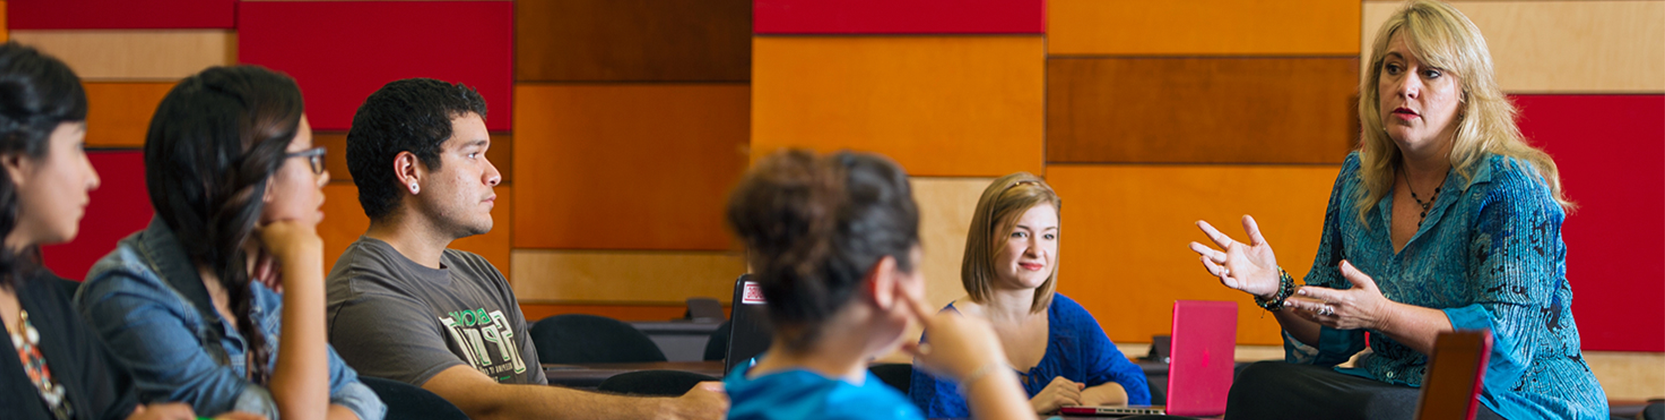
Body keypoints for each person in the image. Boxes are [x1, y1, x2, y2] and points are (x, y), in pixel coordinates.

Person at [1186, 1, 1607, 419]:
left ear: (1466, 94)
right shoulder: (1358, 180)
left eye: (1430, 72)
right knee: (1259, 386)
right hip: (1397, 383)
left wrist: (1383, 315)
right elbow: (1332, 331)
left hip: (1520, 400)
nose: (1407, 86)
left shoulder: (1507, 186)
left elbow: (1505, 345)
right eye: (1394, 67)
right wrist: (1274, 290)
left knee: (1384, 412)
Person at [324, 78, 725, 420]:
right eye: (473, 154)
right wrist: (670, 412)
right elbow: (485, 407)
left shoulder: (479, 273)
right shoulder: (365, 294)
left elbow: (534, 401)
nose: (493, 174)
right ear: (411, 171)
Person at [76, 65, 386, 420]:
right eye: (311, 159)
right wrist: (304, 261)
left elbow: (359, 396)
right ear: (260, 178)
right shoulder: (127, 292)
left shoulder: (259, 280)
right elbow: (297, 414)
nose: (324, 176)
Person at [722, 149, 1034, 420]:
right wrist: (984, 368)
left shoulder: (738, 390)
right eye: (915, 267)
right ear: (885, 282)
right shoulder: (875, 414)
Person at [0, 41, 205, 420]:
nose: (92, 177)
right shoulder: (116, 287)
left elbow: (117, 410)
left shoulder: (38, 291)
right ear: (15, 158)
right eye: (77, 147)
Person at [910, 172, 1149, 416]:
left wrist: (1080, 398)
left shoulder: (1070, 318)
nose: (1037, 250)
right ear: (986, 239)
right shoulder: (949, 334)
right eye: (1020, 234)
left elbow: (1137, 388)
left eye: (1048, 235)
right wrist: (1030, 410)